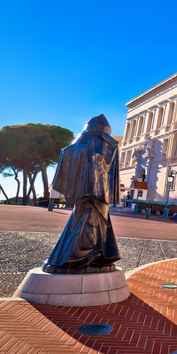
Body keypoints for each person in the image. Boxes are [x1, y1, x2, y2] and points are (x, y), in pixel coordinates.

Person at [42, 114, 121, 274]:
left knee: (86, 223)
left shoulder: (86, 141)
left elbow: (68, 152)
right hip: (100, 195)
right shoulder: (111, 144)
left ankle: (78, 258)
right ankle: (88, 257)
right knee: (91, 225)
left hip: (92, 193)